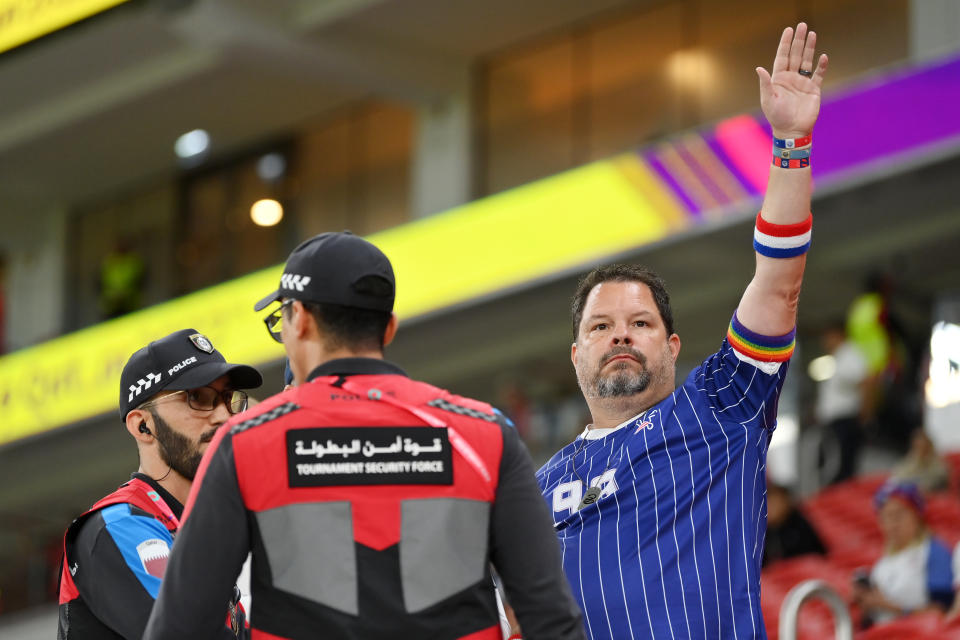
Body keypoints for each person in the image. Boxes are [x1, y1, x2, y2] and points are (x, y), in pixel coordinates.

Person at [143, 232, 585, 640]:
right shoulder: (485, 434)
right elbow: (549, 618)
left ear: (298, 321)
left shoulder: (245, 443)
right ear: (388, 328)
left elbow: (180, 628)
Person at [535, 23, 827, 639]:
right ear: (576, 354)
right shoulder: (539, 486)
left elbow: (778, 284)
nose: (620, 336)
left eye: (640, 323)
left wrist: (792, 143)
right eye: (601, 326)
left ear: (671, 346)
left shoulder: (722, 405)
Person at [57, 329, 262, 639]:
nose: (223, 416)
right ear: (143, 426)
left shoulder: (204, 532)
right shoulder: (118, 524)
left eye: (227, 398)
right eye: (199, 397)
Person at [853, 481, 953, 627]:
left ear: (917, 516)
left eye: (899, 514)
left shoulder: (934, 552)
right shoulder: (884, 561)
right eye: (886, 517)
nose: (892, 524)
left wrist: (892, 607)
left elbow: (943, 613)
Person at [815, 320, 872, 484]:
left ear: (837, 335)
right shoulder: (838, 357)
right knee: (831, 465)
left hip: (845, 419)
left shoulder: (850, 354)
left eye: (827, 336)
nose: (824, 341)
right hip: (835, 421)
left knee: (841, 468)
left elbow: (867, 381)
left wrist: (865, 413)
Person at [763, 481, 826, 566]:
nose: (772, 508)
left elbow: (815, 554)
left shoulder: (800, 526)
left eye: (776, 502)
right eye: (769, 504)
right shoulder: (763, 533)